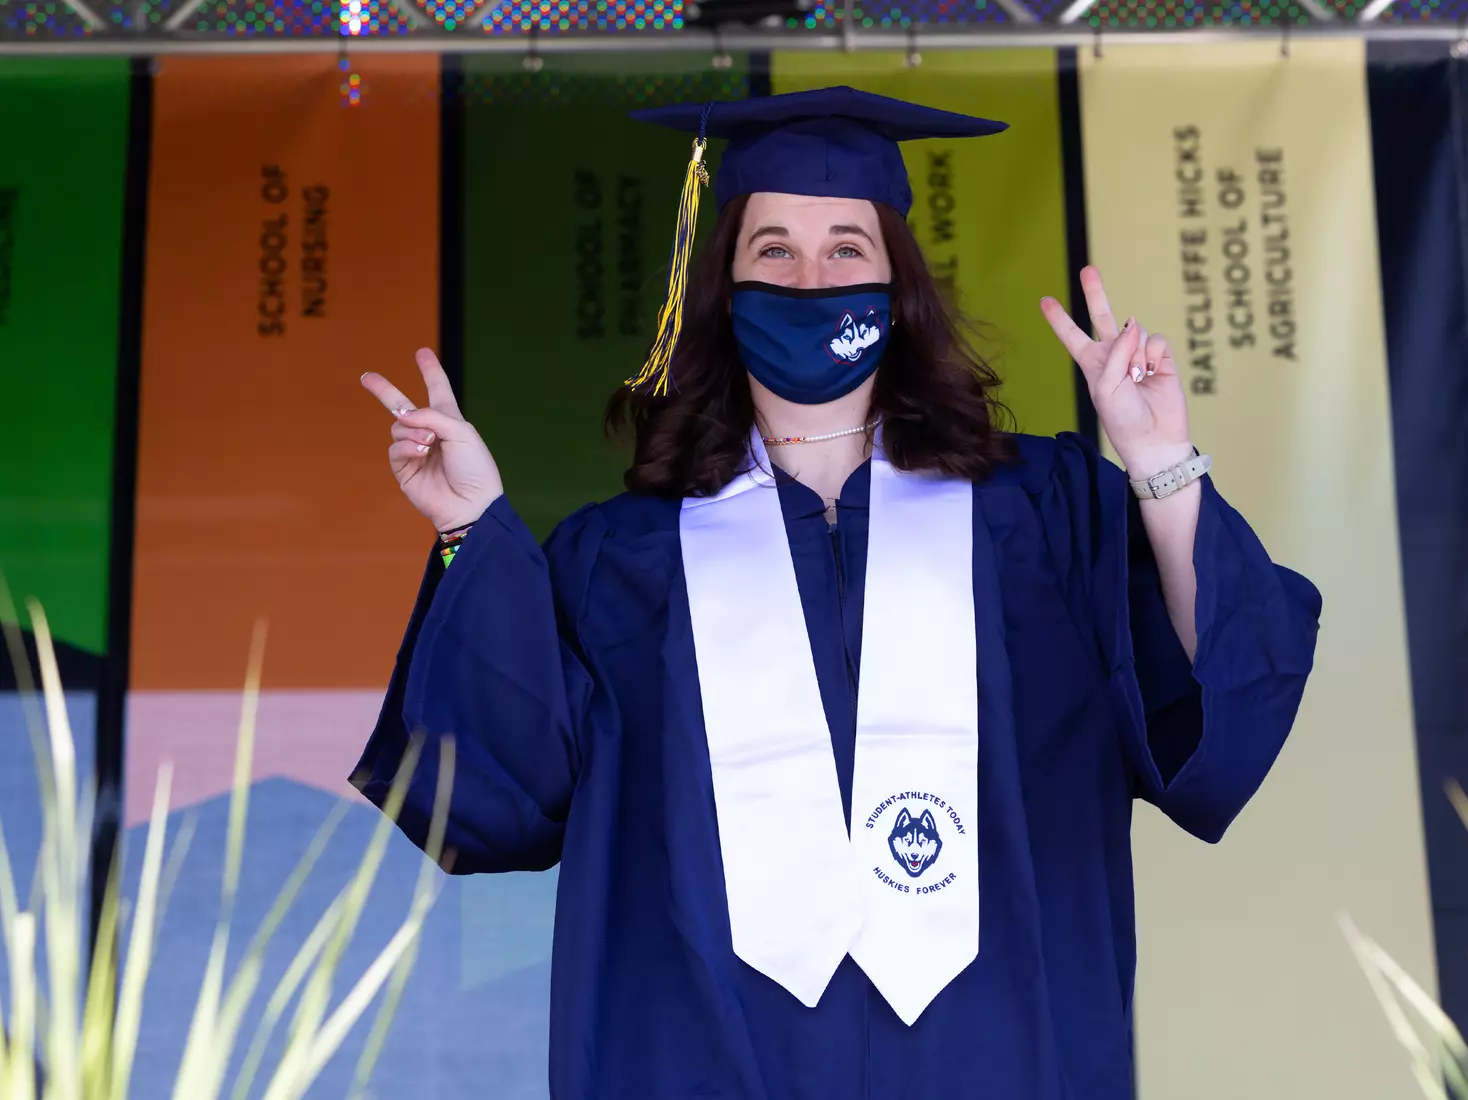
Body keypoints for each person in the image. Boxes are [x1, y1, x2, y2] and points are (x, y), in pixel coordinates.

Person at [352, 86, 1320, 1099]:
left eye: (846, 248)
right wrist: (471, 530)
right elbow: (495, 798)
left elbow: (1219, 707)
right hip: (702, 1067)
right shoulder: (621, 561)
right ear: (724, 287)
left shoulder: (1044, 513)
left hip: (1000, 1063)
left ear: (897, 284)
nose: (810, 278)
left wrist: (1161, 459)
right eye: (773, 249)